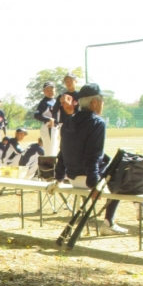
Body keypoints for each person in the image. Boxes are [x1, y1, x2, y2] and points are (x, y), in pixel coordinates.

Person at [55, 83, 126, 234]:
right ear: (94, 102)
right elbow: (93, 156)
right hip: (88, 180)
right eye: (102, 100)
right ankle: (109, 222)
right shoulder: (97, 123)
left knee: (110, 162)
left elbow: (62, 153)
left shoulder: (68, 121)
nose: (103, 103)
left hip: (72, 178)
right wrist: (94, 184)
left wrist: (58, 178)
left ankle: (142, 207)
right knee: (122, 172)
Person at [33, 81, 59, 158]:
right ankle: (48, 166)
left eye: (51, 89)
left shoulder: (54, 101)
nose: (49, 91)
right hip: (48, 128)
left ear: (55, 89)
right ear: (44, 91)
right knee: (49, 153)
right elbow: (36, 115)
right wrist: (48, 119)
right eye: (47, 90)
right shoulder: (44, 102)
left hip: (54, 128)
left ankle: (51, 166)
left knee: (53, 151)